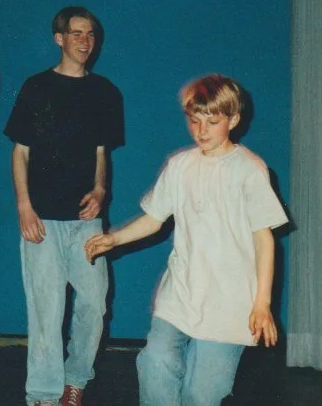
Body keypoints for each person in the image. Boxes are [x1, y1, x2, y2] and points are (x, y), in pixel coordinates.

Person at [85, 74, 288, 406]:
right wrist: (114, 238)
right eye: (195, 120)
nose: (202, 130)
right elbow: (154, 218)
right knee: (155, 363)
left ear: (233, 120)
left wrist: (262, 303)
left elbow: (264, 240)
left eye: (212, 121)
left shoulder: (250, 170)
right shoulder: (180, 166)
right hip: (180, 295)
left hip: (229, 303)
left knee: (203, 394)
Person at [4, 6, 125, 406]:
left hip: (86, 221)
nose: (85, 41)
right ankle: (42, 394)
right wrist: (24, 206)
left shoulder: (105, 92)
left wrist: (101, 190)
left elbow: (102, 151)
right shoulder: (36, 87)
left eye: (90, 34)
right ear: (59, 38)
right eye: (76, 33)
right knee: (46, 310)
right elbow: (20, 152)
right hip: (41, 218)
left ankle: (76, 380)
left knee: (93, 303)